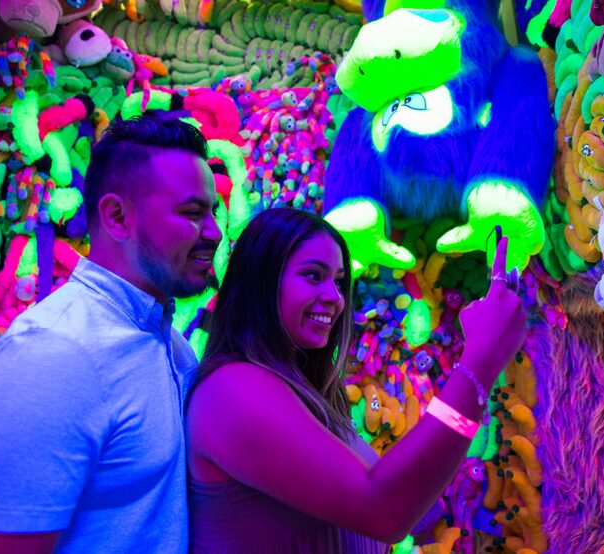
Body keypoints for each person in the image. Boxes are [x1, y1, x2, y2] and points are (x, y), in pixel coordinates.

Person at [0, 114, 222, 554]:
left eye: (214, 213)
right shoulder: (50, 359)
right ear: (116, 216)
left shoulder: (171, 345)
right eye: (192, 213)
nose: (214, 233)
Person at [186, 207, 527, 553]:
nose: (335, 297)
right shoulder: (233, 391)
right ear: (261, 282)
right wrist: (480, 361)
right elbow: (385, 510)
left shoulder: (300, 388)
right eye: (313, 276)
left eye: (337, 281)